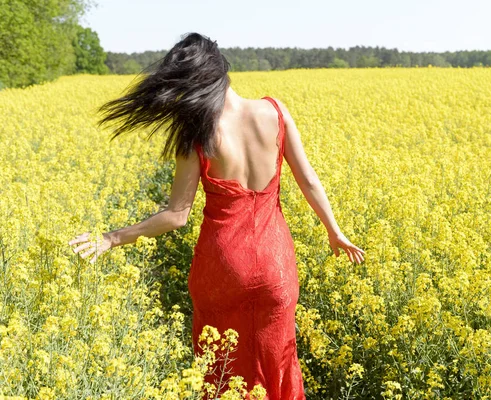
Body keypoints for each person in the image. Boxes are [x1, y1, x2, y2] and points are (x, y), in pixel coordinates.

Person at [68, 32, 365, 399]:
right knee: (276, 363)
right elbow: (309, 181)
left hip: (223, 267)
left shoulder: (199, 133)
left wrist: (111, 238)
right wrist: (334, 231)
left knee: (223, 371)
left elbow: (176, 215)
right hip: (276, 266)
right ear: (222, 69)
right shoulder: (275, 111)